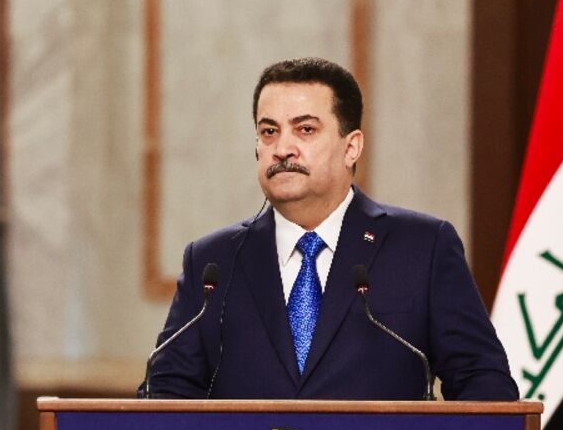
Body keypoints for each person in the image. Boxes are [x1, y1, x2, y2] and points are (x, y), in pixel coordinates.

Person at [141, 57, 517, 400]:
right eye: (269, 132)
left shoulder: (423, 248)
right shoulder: (213, 263)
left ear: (351, 147)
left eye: (304, 129)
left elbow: (484, 382)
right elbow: (165, 391)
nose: (282, 148)